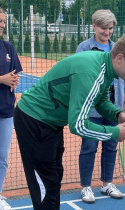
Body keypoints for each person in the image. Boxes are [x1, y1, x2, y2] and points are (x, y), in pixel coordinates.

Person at [13, 34, 125, 210]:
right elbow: (78, 125)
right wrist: (115, 133)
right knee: (45, 183)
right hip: (34, 119)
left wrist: (117, 115)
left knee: (54, 177)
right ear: (120, 58)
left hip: (51, 122)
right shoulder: (91, 72)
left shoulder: (105, 67)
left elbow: (100, 100)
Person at [76, 10, 125, 203]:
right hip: (91, 108)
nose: (107, 32)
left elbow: (123, 76)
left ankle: (107, 183)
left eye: (110, 28)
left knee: (111, 145)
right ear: (94, 26)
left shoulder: (117, 48)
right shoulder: (84, 48)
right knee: (89, 146)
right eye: (103, 28)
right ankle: (86, 187)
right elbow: (79, 75)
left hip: (114, 108)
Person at [0, 8, 22, 210]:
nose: (2, 24)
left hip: (6, 112)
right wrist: (1, 79)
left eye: (4, 21)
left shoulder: (8, 47)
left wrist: (14, 80)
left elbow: (16, 74)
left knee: (2, 158)